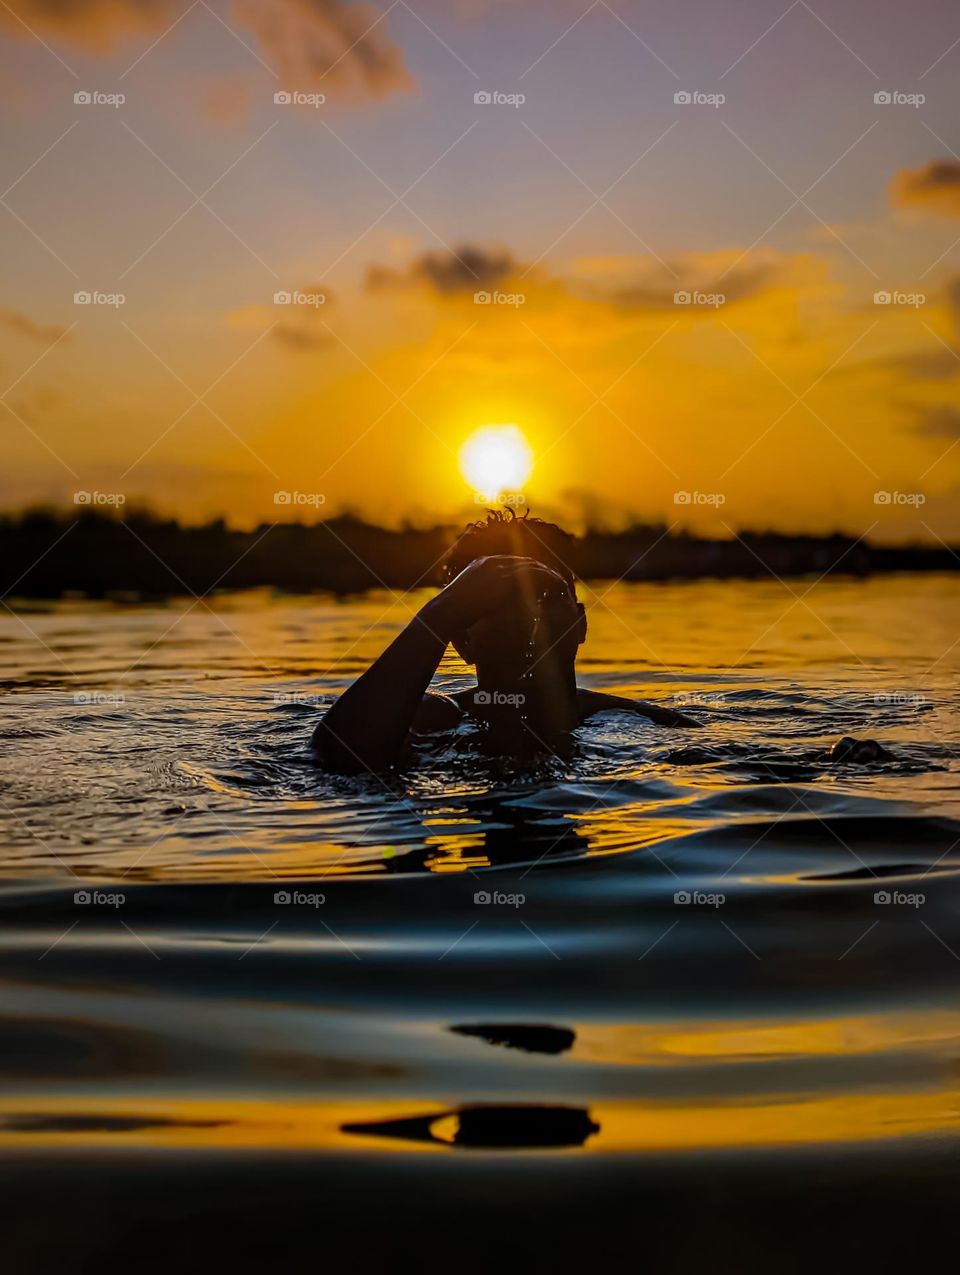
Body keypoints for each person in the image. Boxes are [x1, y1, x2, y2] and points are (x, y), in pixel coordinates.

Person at [312, 510, 699, 773]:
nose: (526, 612)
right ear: (460, 641)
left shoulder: (640, 724)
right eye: (498, 600)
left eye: (546, 592)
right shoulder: (433, 719)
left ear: (580, 625)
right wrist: (437, 616)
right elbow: (336, 759)